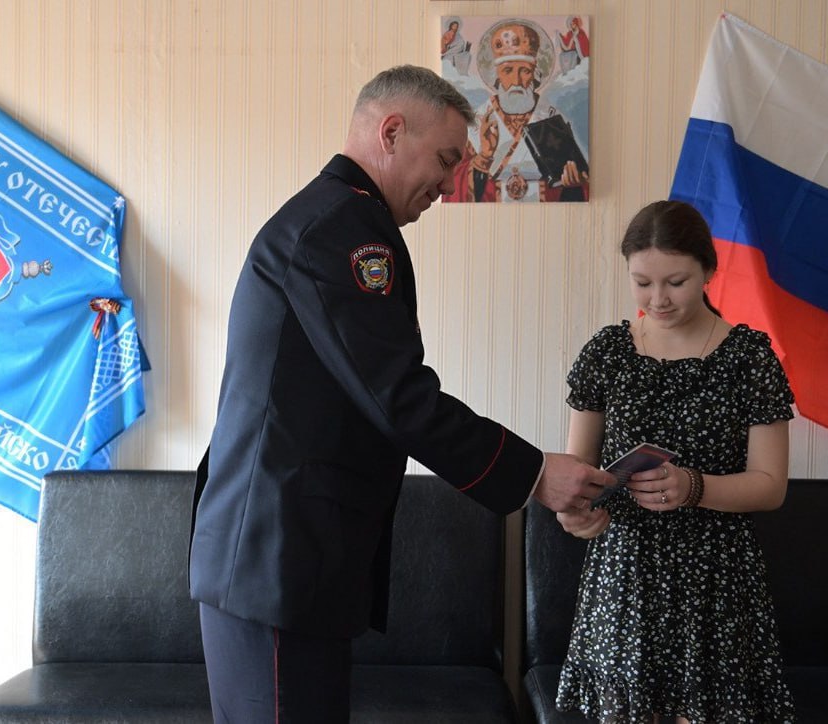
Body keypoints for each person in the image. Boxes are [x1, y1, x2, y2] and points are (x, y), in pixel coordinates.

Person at [188, 64, 612, 723]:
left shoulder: (336, 219)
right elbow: (399, 399)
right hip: (277, 556)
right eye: (445, 160)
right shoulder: (341, 231)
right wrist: (535, 474)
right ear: (391, 133)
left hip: (284, 554)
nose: (449, 183)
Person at [553, 200, 798, 723]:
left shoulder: (749, 358)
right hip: (626, 573)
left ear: (708, 271)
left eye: (676, 282)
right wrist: (575, 513)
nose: (657, 299)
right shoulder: (607, 353)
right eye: (642, 282)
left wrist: (693, 486)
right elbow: (579, 472)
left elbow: (771, 485)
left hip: (717, 576)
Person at [444, 19, 589, 203]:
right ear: (496, 75)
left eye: (525, 71)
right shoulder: (476, 124)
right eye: (508, 71)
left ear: (535, 74)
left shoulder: (552, 118)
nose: (517, 81)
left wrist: (573, 184)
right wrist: (484, 156)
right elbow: (454, 187)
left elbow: (578, 186)